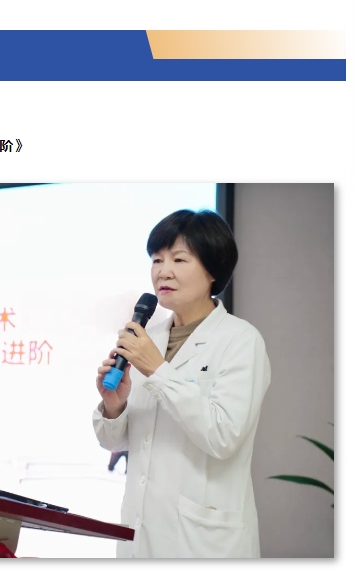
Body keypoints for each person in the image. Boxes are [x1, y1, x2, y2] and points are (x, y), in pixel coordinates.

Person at [93, 209, 271, 558]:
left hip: (203, 545)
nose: (163, 271)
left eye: (179, 259)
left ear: (212, 269)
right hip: (139, 536)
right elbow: (113, 441)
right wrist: (114, 406)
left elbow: (223, 436)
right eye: (157, 259)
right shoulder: (149, 338)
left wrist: (157, 370)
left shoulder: (240, 340)